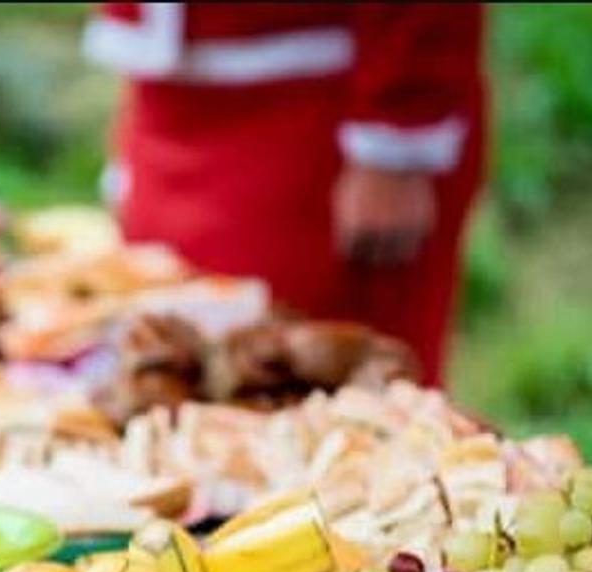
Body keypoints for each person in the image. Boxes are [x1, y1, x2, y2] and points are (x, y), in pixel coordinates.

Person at [86, 2, 486, 383]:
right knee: (165, 367)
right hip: (177, 100)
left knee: (311, 386)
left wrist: (399, 137)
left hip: (319, 113)